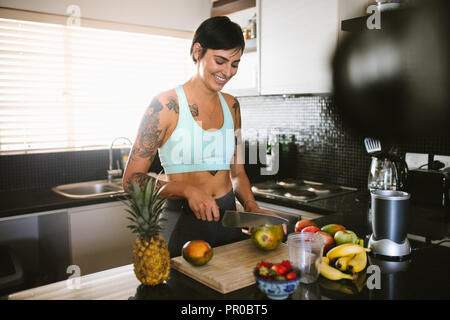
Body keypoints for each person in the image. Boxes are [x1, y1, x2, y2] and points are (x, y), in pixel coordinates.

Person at [123, 16, 285, 257]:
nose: (227, 72)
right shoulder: (165, 105)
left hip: (229, 218)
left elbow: (237, 173)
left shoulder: (232, 106)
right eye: (220, 61)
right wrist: (187, 191)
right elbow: (131, 180)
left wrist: (251, 206)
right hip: (183, 220)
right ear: (198, 51)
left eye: (235, 64)